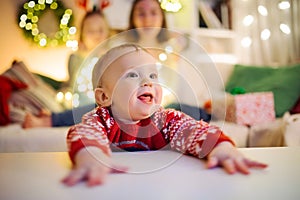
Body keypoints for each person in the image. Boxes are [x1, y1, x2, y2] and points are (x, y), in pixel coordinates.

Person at [62, 44, 267, 187]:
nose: (148, 82)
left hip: (158, 185)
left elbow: (194, 130)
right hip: (109, 186)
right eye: (133, 74)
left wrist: (221, 147)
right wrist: (92, 157)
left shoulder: (165, 120)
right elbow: (83, 133)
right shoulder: (100, 120)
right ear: (105, 96)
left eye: (153, 75)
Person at [22, 9, 111, 128]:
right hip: (75, 101)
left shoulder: (112, 58)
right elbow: (71, 85)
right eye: (90, 31)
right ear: (82, 35)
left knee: (99, 108)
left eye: (100, 30)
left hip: (96, 106)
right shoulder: (75, 58)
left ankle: (50, 120)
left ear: (107, 33)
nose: (96, 35)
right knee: (35, 76)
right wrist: (83, 56)